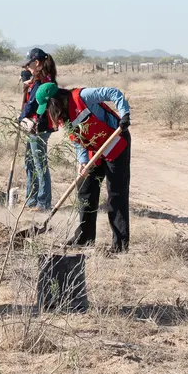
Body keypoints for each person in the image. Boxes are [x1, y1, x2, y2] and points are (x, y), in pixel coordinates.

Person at [34, 82, 131, 253]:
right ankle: (85, 237)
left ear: (54, 100)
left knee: (116, 193)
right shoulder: (64, 117)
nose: (49, 112)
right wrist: (83, 162)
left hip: (115, 141)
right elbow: (78, 142)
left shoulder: (82, 96)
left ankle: (120, 245)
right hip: (95, 149)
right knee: (85, 189)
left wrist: (124, 115)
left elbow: (113, 92)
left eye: (48, 107)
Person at [18, 48, 57, 210]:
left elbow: (32, 103)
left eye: (29, 64)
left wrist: (21, 117)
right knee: (30, 162)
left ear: (38, 63)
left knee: (39, 164)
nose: (27, 68)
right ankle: (31, 198)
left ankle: (43, 202)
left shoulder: (41, 81)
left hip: (39, 126)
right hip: (35, 125)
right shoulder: (39, 79)